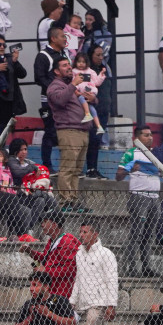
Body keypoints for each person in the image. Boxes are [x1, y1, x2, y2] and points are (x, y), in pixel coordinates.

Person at [69, 221, 130, 325]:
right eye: (80, 232)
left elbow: (112, 280)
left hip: (100, 303)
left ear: (95, 234)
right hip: (85, 303)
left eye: (85, 232)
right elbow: (78, 280)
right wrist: (72, 301)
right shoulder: (79, 254)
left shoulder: (106, 254)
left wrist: (111, 305)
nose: (81, 235)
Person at [116, 125, 163, 277]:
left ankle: (146, 267)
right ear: (136, 138)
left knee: (149, 235)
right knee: (137, 233)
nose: (150, 138)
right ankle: (131, 267)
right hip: (139, 197)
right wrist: (131, 169)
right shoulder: (131, 153)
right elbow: (118, 175)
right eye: (146, 135)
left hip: (155, 198)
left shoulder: (156, 155)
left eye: (151, 135)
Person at [47, 57, 93, 211]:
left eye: (69, 65)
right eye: (64, 65)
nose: (68, 67)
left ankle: (73, 200)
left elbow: (87, 103)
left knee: (76, 170)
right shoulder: (55, 86)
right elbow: (60, 100)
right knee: (68, 168)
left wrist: (93, 99)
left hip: (82, 131)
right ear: (56, 71)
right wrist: (73, 84)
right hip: (69, 131)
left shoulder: (71, 87)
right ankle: (65, 202)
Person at [33, 26, 70, 172]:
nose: (65, 39)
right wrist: (55, 91)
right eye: (62, 36)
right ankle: (47, 165)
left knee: (65, 132)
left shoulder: (64, 54)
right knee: (50, 131)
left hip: (66, 100)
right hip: (48, 101)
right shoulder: (43, 56)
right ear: (53, 38)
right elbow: (39, 78)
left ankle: (65, 166)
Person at [21, 210, 80, 299]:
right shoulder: (52, 241)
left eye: (45, 222)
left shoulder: (67, 242)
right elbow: (45, 259)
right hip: (50, 291)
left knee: (51, 310)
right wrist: (30, 252)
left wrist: (45, 271)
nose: (42, 225)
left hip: (61, 294)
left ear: (54, 224)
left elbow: (70, 269)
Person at [86, 43, 113, 177]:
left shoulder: (104, 69)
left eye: (102, 55)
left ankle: (94, 168)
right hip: (93, 110)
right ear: (91, 55)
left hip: (104, 110)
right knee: (91, 139)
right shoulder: (87, 71)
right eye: (97, 55)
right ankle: (90, 168)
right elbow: (83, 87)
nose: (100, 57)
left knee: (97, 140)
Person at [71, 51, 106, 136]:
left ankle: (87, 114)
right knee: (91, 108)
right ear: (75, 62)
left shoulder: (91, 71)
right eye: (79, 62)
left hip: (90, 90)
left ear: (87, 63)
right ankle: (99, 126)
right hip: (81, 91)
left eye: (83, 62)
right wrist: (76, 90)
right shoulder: (74, 71)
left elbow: (97, 82)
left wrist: (101, 75)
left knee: (81, 98)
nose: (81, 64)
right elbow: (73, 82)